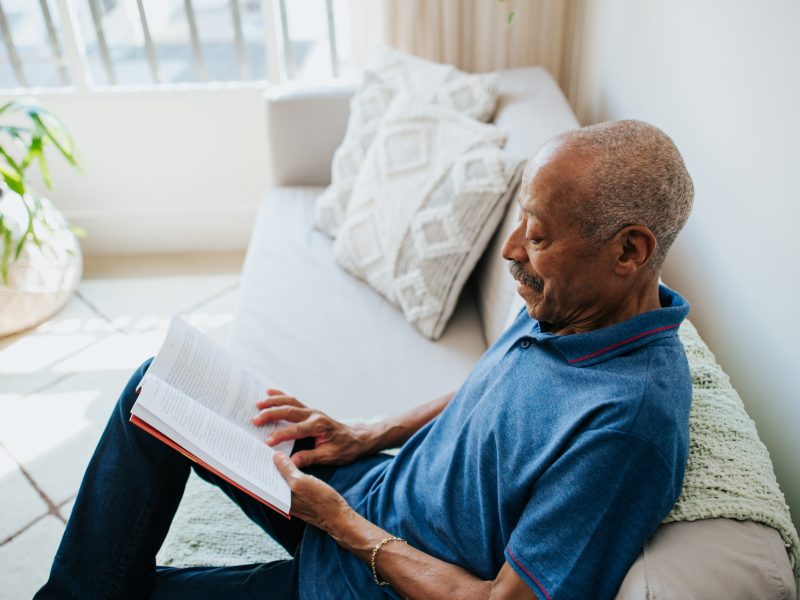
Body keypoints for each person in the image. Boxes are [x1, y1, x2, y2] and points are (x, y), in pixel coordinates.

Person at [36, 119, 695, 600]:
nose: (512, 251)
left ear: (629, 251)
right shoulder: (576, 305)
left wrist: (342, 525)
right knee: (155, 388)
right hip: (369, 491)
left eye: (540, 235)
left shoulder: (629, 425)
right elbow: (496, 389)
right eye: (523, 223)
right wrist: (365, 434)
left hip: (376, 578)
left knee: (113, 589)